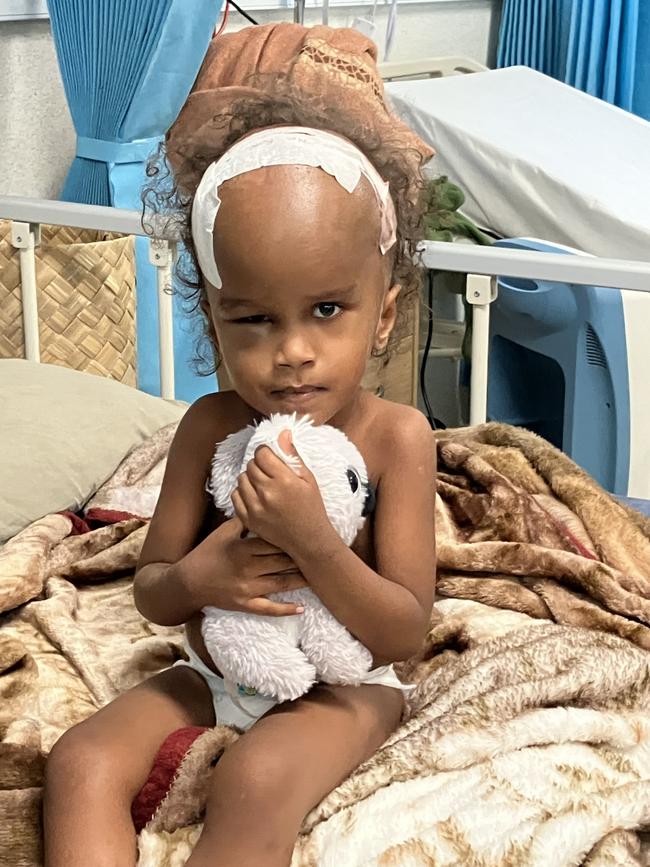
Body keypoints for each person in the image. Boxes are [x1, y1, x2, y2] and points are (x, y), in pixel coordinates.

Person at [43, 22, 436, 867]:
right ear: (213, 321)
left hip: (347, 683)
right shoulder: (210, 425)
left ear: (385, 316)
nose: (291, 350)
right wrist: (196, 578)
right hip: (219, 666)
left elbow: (404, 629)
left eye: (326, 310)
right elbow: (153, 590)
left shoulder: (396, 437)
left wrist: (314, 543)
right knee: (80, 759)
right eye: (253, 318)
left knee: (255, 780)